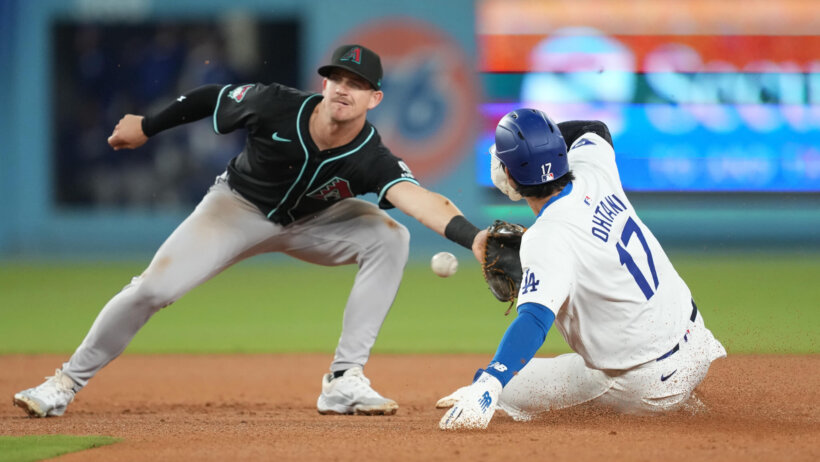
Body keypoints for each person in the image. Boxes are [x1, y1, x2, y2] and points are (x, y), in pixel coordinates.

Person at [13, 44, 487, 418]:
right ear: (324, 84)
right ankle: (65, 383)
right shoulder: (275, 104)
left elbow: (422, 200)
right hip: (236, 208)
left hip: (315, 224)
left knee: (390, 235)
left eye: (358, 84)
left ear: (375, 98)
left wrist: (474, 238)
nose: (344, 88)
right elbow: (210, 97)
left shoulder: (371, 155)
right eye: (337, 78)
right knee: (153, 289)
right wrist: (149, 126)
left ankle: (344, 380)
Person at [437, 109, 727, 430]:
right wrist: (539, 146)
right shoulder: (593, 169)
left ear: (509, 174)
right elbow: (594, 128)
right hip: (696, 343)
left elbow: (534, 320)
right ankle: (679, 397)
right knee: (565, 369)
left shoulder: (547, 236)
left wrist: (491, 382)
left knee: (509, 387)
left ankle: (665, 404)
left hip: (645, 384)